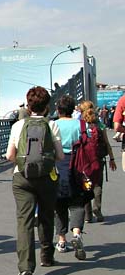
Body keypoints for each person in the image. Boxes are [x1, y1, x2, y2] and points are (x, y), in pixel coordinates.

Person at [6, 87, 64, 275]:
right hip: (47, 178)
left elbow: (10, 156)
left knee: (25, 222)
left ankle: (25, 267)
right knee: (46, 217)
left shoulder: (18, 126)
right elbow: (61, 155)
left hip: (22, 178)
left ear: (28, 105)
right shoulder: (51, 125)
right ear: (47, 106)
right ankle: (46, 256)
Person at [53, 95, 89, 260]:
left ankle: (61, 240)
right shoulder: (80, 124)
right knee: (77, 202)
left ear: (58, 110)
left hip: (58, 165)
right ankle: (77, 234)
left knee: (59, 204)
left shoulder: (53, 125)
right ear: (73, 109)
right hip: (77, 165)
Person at [79, 100, 117, 222]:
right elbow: (106, 143)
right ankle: (97, 208)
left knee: (85, 185)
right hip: (98, 159)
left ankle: (87, 215)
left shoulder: (80, 125)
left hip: (84, 160)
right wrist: (111, 158)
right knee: (98, 184)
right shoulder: (99, 125)